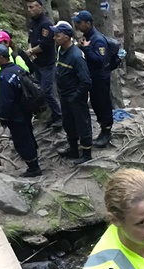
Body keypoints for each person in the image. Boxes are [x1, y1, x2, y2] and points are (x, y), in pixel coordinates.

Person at [0, 44, 41, 177]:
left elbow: (6, 100)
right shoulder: (17, 69)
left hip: (15, 114)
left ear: (1, 57)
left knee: (21, 140)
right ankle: (34, 161)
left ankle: (33, 168)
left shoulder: (5, 76)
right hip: (25, 109)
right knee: (28, 135)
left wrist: (3, 117)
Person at [51, 22, 93, 165]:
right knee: (68, 123)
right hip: (64, 96)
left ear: (67, 37)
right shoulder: (60, 51)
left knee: (82, 124)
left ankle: (86, 153)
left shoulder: (76, 56)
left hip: (75, 98)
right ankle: (73, 149)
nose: (54, 38)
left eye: (58, 35)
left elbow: (86, 81)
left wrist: (75, 97)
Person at [73, 10, 113, 148]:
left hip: (101, 78)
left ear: (88, 23)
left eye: (79, 22)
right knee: (96, 104)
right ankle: (103, 130)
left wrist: (86, 49)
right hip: (92, 77)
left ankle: (107, 132)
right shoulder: (87, 37)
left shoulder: (98, 39)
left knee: (103, 104)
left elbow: (99, 61)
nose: (77, 25)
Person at [26, 0, 62, 128]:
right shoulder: (33, 23)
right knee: (41, 91)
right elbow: (30, 39)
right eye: (28, 7)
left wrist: (31, 51)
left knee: (47, 91)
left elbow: (46, 44)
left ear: (39, 7)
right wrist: (31, 50)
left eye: (32, 7)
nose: (29, 10)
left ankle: (59, 115)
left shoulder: (46, 24)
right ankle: (51, 115)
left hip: (47, 64)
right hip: (37, 63)